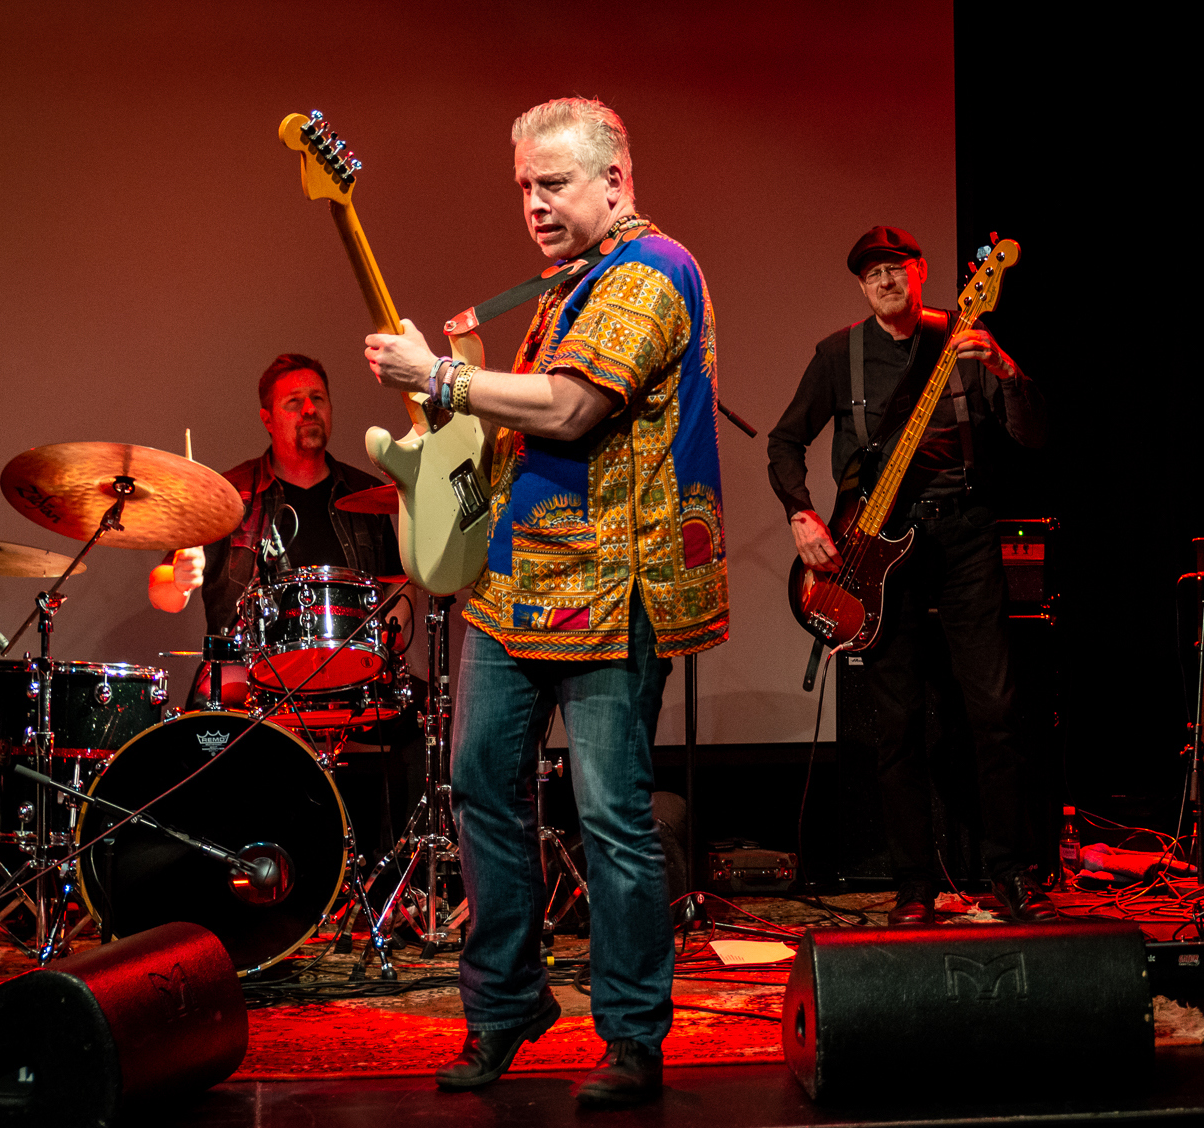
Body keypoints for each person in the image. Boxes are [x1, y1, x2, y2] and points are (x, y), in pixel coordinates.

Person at [362, 97, 726, 1105]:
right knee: (482, 786)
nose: (533, 203)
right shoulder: (568, 285)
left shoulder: (651, 272)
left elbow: (571, 405)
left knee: (610, 816)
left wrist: (442, 378)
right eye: (524, 185)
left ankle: (633, 1036)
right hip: (516, 585)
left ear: (615, 180)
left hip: (610, 588)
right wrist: (454, 396)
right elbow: (526, 424)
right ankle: (506, 1005)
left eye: (553, 182)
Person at [767, 225, 1051, 925]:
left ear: (921, 271)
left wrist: (1007, 371)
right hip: (877, 550)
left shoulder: (966, 341)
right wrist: (801, 513)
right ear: (862, 288)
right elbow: (784, 441)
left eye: (896, 268)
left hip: (964, 535)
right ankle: (914, 886)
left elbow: (1032, 436)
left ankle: (1009, 871)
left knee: (994, 710)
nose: (886, 281)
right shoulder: (839, 356)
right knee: (894, 724)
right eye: (872, 274)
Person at [148, 353, 403, 709]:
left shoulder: (365, 494)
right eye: (294, 402)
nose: (309, 409)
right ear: (267, 419)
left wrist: (383, 639)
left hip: (348, 687)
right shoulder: (228, 495)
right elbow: (161, 592)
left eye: (318, 398)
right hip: (246, 689)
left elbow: (399, 584)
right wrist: (178, 581)